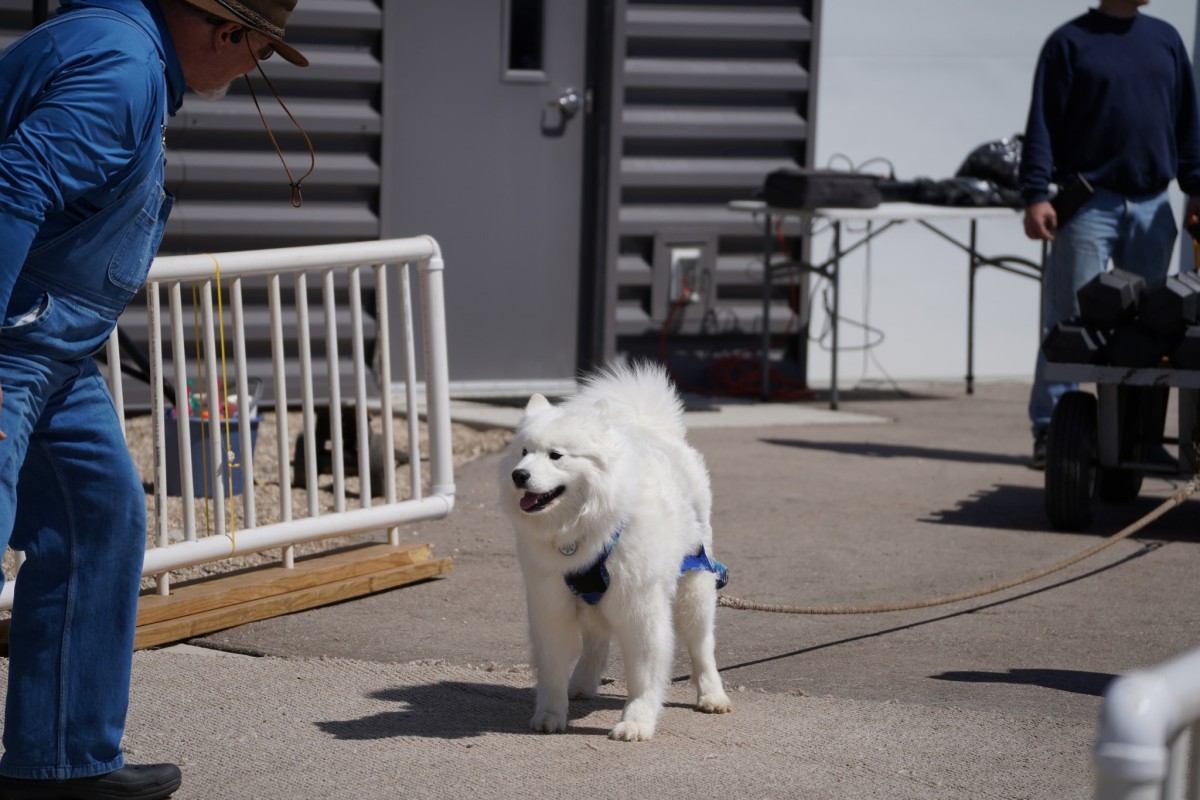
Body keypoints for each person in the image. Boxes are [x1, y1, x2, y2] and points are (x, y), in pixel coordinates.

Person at [0, 1, 307, 797]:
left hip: (52, 350)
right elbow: (13, 186)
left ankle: (61, 764)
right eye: (260, 53)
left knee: (100, 514)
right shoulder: (124, 68)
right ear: (223, 31)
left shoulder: (124, 51)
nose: (252, 72)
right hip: (12, 342)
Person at [1020, 0, 1200, 469]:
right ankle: (1053, 429)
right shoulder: (1069, 41)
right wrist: (1036, 194)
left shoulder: (1165, 39)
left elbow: (1188, 121)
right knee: (1070, 321)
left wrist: (1196, 186)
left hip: (1152, 204)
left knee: (1149, 325)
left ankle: (1135, 436)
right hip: (1088, 204)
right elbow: (1041, 124)